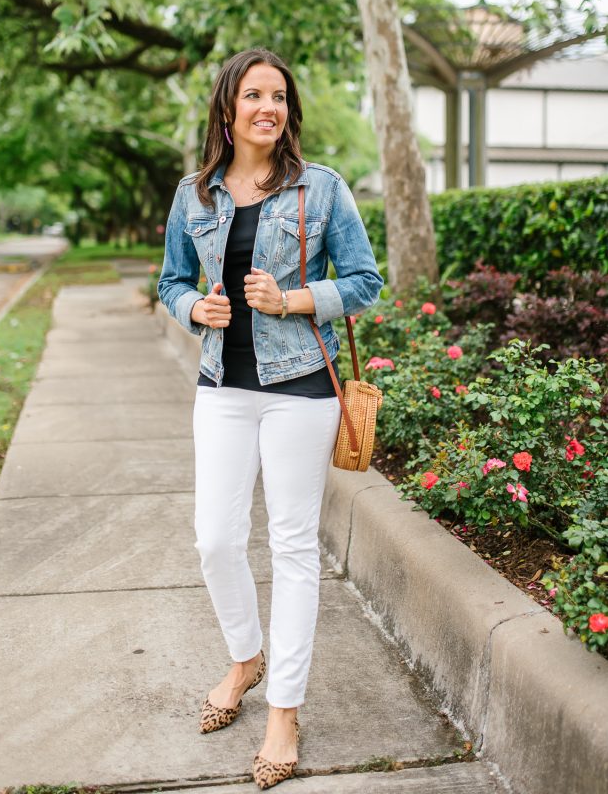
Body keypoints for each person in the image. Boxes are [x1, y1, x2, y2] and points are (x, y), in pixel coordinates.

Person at [157, 47, 383, 789]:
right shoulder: (194, 195)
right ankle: (245, 656)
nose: (268, 107)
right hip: (223, 385)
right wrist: (196, 307)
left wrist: (291, 299)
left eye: (279, 96)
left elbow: (364, 282)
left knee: (291, 549)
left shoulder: (321, 191)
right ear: (228, 108)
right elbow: (169, 281)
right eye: (253, 94)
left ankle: (284, 706)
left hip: (301, 391)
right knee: (215, 539)